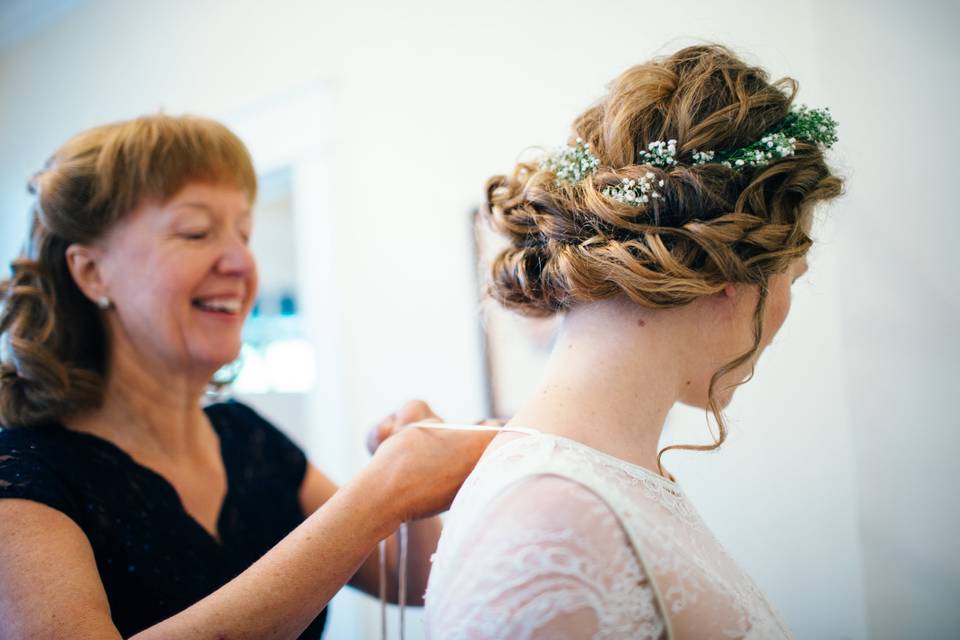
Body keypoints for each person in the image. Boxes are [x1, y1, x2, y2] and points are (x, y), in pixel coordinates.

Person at [0, 115, 494, 639]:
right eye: (195, 232)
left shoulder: (249, 439)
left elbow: (410, 578)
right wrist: (381, 494)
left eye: (245, 233)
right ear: (92, 272)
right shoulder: (25, 475)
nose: (241, 261)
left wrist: (409, 476)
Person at [424, 44, 842, 639]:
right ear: (727, 268)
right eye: (790, 279)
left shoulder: (603, 479)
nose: (785, 309)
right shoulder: (553, 522)